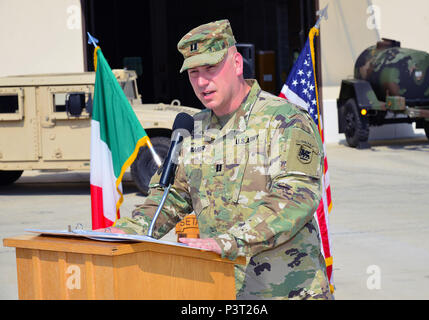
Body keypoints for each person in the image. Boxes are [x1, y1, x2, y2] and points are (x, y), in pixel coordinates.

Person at [100, 19, 332, 300]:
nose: (201, 81)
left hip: (287, 292)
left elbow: (297, 198)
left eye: (210, 68)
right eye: (193, 72)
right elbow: (169, 198)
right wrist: (119, 234)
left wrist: (228, 242)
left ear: (236, 63)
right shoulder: (193, 129)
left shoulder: (284, 120)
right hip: (221, 290)